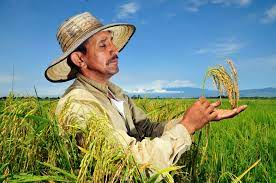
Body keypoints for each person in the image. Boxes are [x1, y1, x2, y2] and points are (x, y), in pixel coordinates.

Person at [45, 12, 247, 171]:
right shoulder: (78, 104)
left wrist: (198, 118)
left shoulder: (116, 93)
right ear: (80, 59)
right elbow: (127, 162)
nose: (115, 50)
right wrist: (186, 127)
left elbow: (147, 130)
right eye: (103, 45)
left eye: (112, 41)